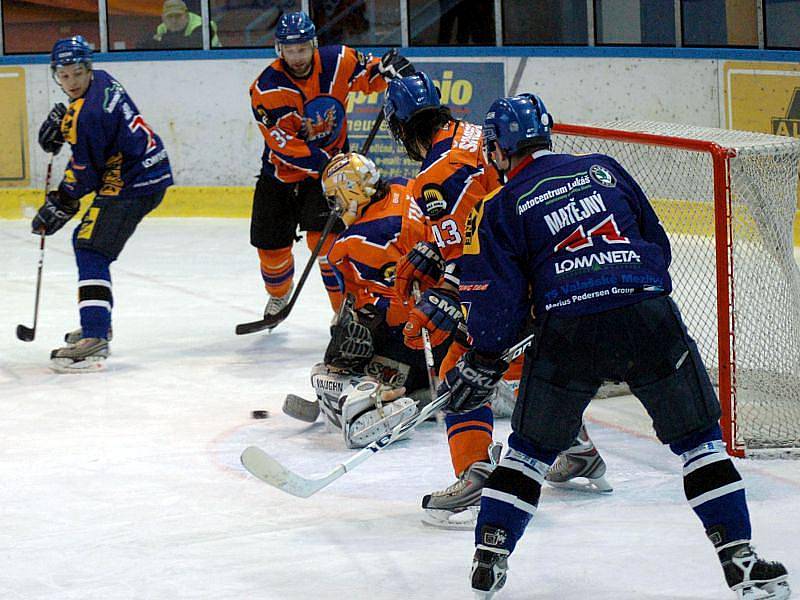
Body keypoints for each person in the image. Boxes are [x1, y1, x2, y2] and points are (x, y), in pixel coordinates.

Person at [432, 93, 790, 599]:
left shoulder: (502, 204)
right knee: (700, 444)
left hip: (570, 332)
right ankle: (740, 559)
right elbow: (657, 247)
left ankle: (490, 554)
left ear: (497, 150)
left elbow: (498, 303)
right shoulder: (604, 168)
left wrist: (486, 357)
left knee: (528, 454)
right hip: (647, 317)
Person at [382, 72, 610, 529]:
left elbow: (474, 250)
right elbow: (484, 210)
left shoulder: (431, 179)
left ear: (400, 128)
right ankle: (579, 449)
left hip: (513, 274)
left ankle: (473, 474)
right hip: (556, 257)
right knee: (524, 362)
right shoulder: (473, 133)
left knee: (458, 366)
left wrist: (447, 286)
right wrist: (436, 250)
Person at [248, 11, 413, 327]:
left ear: (313, 44)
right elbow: (286, 146)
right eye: (290, 50)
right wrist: (330, 162)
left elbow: (368, 74)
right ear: (279, 50)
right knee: (271, 252)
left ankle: (344, 312)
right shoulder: (266, 89)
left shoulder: (338, 60)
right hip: (281, 175)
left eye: (302, 49)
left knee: (328, 244)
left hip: (329, 178)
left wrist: (387, 68)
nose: (297, 57)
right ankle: (279, 294)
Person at [285, 152, 451, 448]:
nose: (335, 207)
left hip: (426, 334)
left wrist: (357, 328)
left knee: (340, 354)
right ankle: (420, 387)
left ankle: (387, 402)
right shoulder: (404, 187)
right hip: (454, 312)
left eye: (335, 198)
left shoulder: (354, 242)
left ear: (350, 191)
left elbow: (379, 306)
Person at [33, 36, 173, 373]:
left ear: (88, 69)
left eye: (77, 73)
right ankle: (98, 321)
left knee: (90, 247)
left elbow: (86, 173)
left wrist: (61, 200)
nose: (71, 82)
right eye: (64, 76)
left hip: (133, 182)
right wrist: (68, 125)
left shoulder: (89, 115)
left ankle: (95, 334)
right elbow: (95, 140)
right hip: (144, 171)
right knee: (89, 244)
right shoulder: (104, 80)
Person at [149, 0, 221, 49]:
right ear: (163, 17)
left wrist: (162, 39)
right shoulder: (162, 28)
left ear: (186, 14)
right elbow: (148, 44)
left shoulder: (203, 25)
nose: (174, 21)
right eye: (170, 16)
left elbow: (190, 45)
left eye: (178, 15)